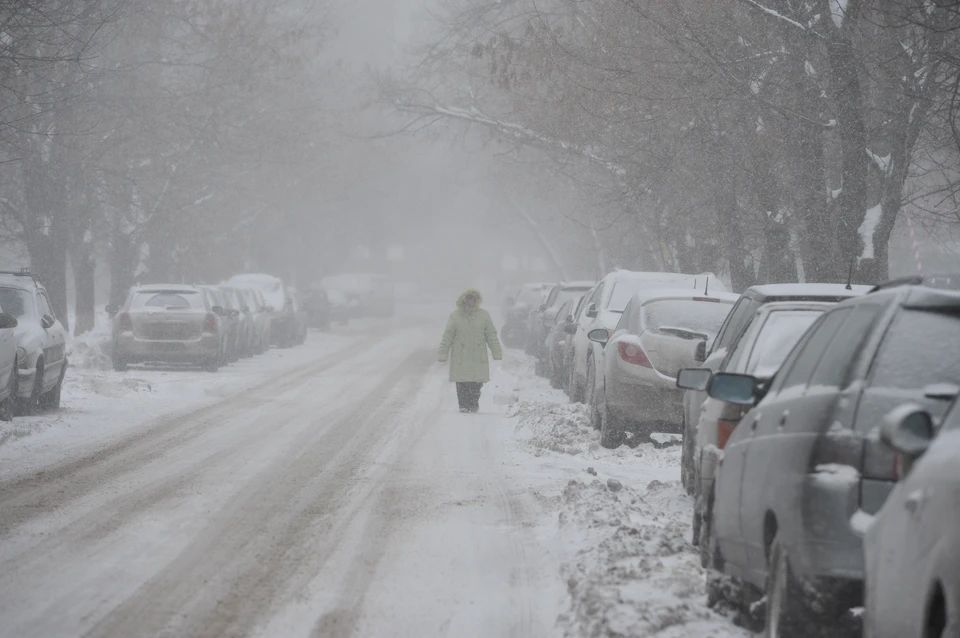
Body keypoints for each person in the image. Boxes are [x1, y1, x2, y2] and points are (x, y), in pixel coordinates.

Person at [438, 289, 503, 413]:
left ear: (476, 300)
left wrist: (496, 352)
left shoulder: (484, 315)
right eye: (468, 298)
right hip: (461, 355)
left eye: (472, 299)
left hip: (477, 355)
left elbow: (491, 335)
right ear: (463, 300)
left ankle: (473, 403)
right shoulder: (455, 316)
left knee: (476, 383)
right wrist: (443, 353)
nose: (470, 301)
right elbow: (448, 336)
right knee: (462, 382)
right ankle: (463, 405)